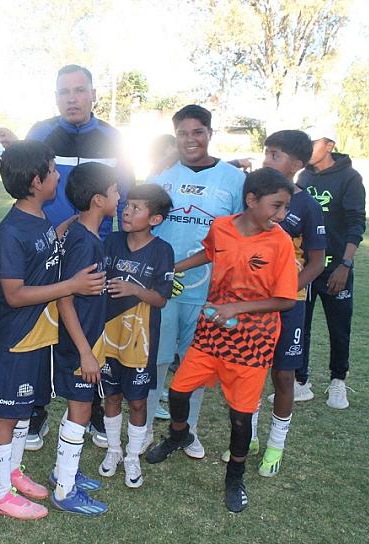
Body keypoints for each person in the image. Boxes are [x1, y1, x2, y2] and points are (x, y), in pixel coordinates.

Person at [0, 64, 134, 450]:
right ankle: (34, 411)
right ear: (55, 97)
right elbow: (28, 175)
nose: (71, 98)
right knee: (41, 332)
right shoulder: (41, 132)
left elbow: (125, 193)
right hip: (47, 253)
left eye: (78, 90)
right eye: (63, 92)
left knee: (87, 327)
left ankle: (93, 407)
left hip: (91, 249)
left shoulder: (111, 138)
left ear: (92, 93)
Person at [146, 167, 298, 513]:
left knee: (241, 417)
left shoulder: (280, 242)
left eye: (285, 207)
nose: (281, 215)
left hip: (253, 343)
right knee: (179, 391)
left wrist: (237, 308)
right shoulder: (222, 227)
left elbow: (286, 299)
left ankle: (235, 478)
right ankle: (178, 434)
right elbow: (211, 253)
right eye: (276, 206)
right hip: (212, 334)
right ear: (251, 200)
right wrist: (174, 268)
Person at [0, 141, 106, 520]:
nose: (58, 176)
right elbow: (15, 294)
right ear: (37, 181)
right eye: (53, 170)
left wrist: (67, 227)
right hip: (17, 338)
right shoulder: (11, 230)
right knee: (7, 415)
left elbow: (45, 250)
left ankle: (15, 472)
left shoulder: (38, 220)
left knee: (23, 410)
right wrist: (71, 286)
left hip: (39, 336)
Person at [218, 130, 325, 477]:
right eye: (267, 152)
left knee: (282, 374)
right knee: (250, 370)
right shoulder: (253, 197)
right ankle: (246, 438)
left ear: (296, 164)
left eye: (275, 154)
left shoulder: (307, 206)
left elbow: (317, 262)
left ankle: (275, 446)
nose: (267, 159)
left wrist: (285, 290)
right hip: (251, 305)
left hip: (288, 305)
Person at [149, 104, 246, 459]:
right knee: (157, 360)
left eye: (198, 132)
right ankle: (142, 429)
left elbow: (240, 235)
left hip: (208, 289)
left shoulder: (233, 179)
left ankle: (188, 430)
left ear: (209, 133)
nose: (191, 139)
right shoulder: (162, 178)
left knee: (197, 362)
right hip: (164, 288)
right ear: (175, 136)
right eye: (183, 133)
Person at [49, 162, 119, 516]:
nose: (119, 196)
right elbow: (65, 299)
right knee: (79, 412)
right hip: (80, 346)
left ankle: (66, 470)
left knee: (77, 409)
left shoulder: (85, 234)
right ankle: (64, 490)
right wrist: (84, 353)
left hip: (88, 342)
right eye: (114, 191)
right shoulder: (83, 243)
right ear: (97, 200)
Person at [98, 184, 175, 489]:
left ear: (154, 219)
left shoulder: (162, 250)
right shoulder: (112, 241)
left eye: (136, 208)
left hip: (140, 340)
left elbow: (161, 299)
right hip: (109, 335)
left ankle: (132, 454)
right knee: (112, 395)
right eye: (126, 205)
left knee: (139, 401)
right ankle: (114, 450)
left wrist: (134, 290)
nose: (127, 211)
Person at [298, 125, 366, 409]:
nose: (307, 149)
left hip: (336, 269)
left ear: (329, 144)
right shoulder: (304, 175)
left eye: (312, 143)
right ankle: (300, 382)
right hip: (305, 266)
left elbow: (356, 223)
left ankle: (338, 382)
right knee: (301, 324)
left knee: (339, 327)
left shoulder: (350, 177)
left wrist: (345, 265)